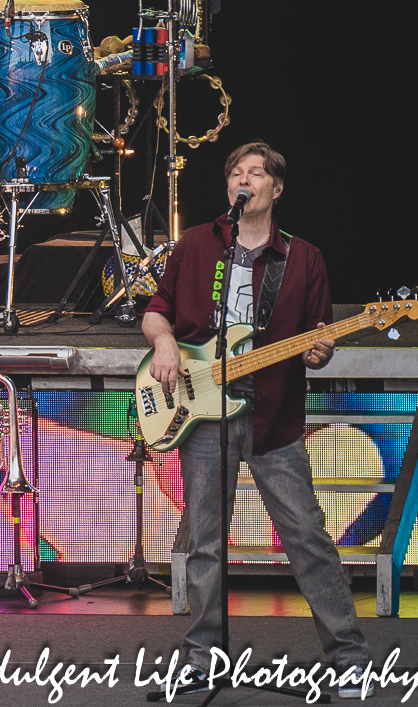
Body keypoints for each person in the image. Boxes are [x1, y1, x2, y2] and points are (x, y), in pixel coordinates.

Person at [144, 141, 370, 697]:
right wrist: (167, 343)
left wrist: (320, 350)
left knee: (308, 539)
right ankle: (202, 659)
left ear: (276, 188)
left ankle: (350, 661)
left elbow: (319, 337)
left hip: (272, 414)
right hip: (201, 414)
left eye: (256, 173)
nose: (244, 181)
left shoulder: (304, 257)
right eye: (236, 174)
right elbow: (156, 310)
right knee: (203, 541)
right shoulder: (197, 245)